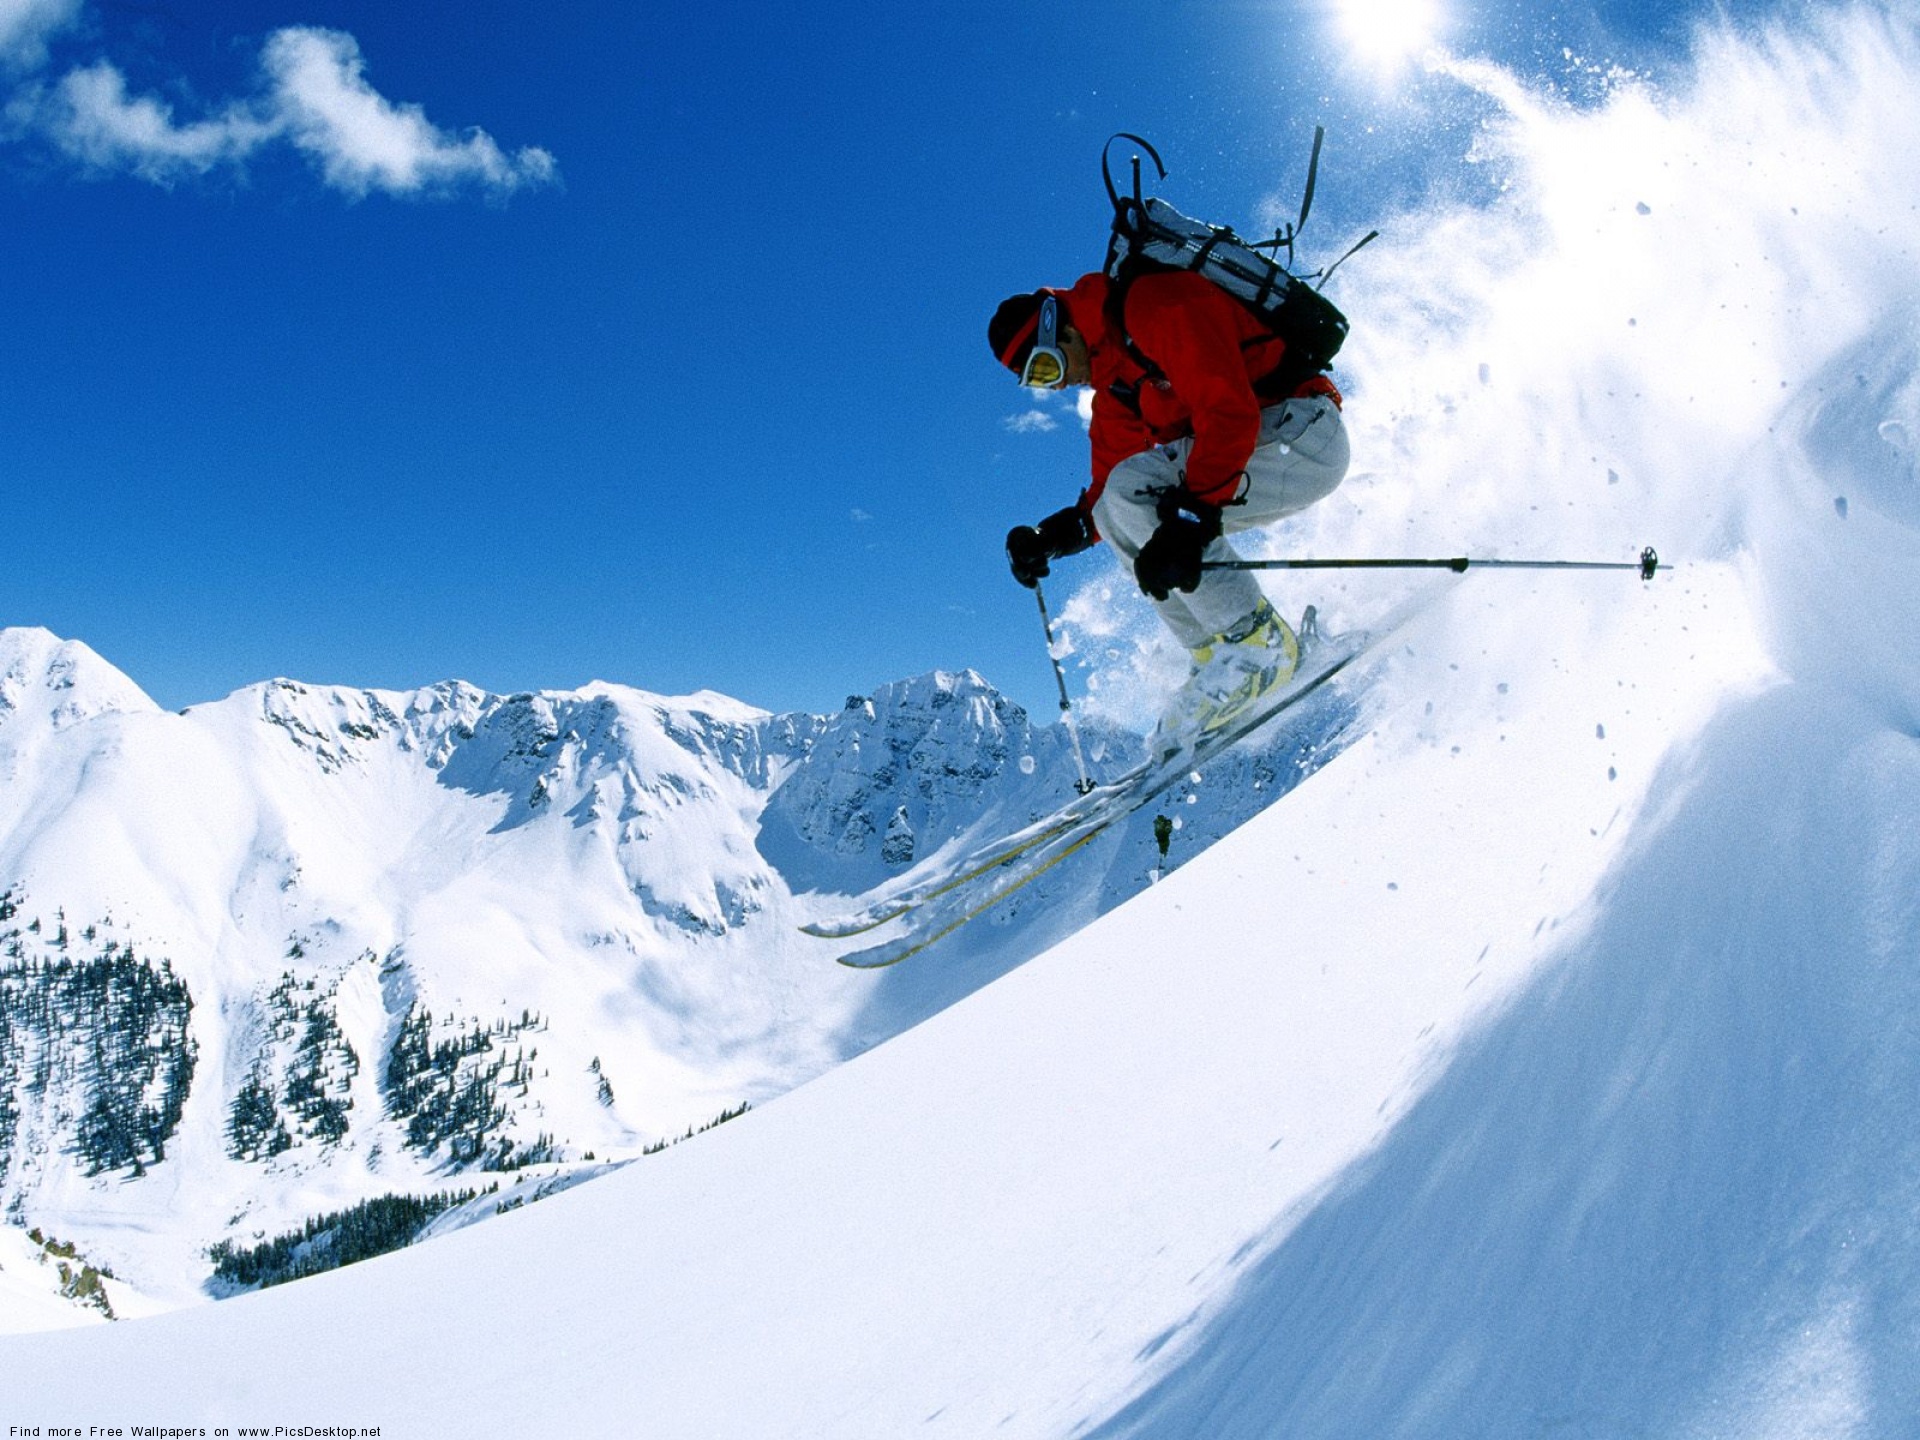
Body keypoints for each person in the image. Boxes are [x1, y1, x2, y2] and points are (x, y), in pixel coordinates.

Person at [990, 268, 1350, 733]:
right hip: (1268, 453)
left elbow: (1229, 411)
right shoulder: (1119, 393)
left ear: (1064, 329)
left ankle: (1257, 644)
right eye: (1037, 382)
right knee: (1117, 502)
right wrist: (1050, 539)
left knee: (1134, 490)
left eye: (1045, 367)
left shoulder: (1154, 304)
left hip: (1302, 433)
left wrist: (1190, 517)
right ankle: (1219, 657)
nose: (1054, 385)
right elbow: (1107, 503)